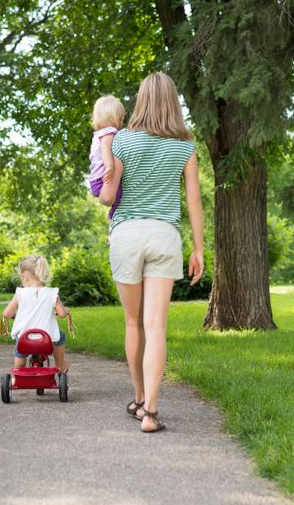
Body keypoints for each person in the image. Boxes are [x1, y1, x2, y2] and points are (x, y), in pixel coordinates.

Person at [99, 72, 204, 433]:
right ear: (173, 102)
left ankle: (139, 397)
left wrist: (101, 192)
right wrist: (199, 249)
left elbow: (109, 195)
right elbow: (193, 201)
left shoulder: (122, 141)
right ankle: (152, 413)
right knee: (156, 325)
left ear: (141, 100)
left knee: (133, 324)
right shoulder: (185, 146)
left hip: (127, 236)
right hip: (165, 236)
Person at [3, 255, 70, 373]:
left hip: (25, 340)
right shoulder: (52, 293)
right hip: (47, 340)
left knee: (20, 350)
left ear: (25, 277)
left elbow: (6, 314)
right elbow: (62, 314)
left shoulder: (20, 293)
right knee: (61, 336)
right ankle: (60, 366)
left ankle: (17, 373)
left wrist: (14, 316)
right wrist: (66, 311)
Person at [89, 95, 125, 218]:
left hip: (95, 180)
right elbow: (105, 149)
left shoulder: (98, 134)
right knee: (121, 195)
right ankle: (113, 215)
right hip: (102, 179)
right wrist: (110, 166)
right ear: (117, 117)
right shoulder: (109, 132)